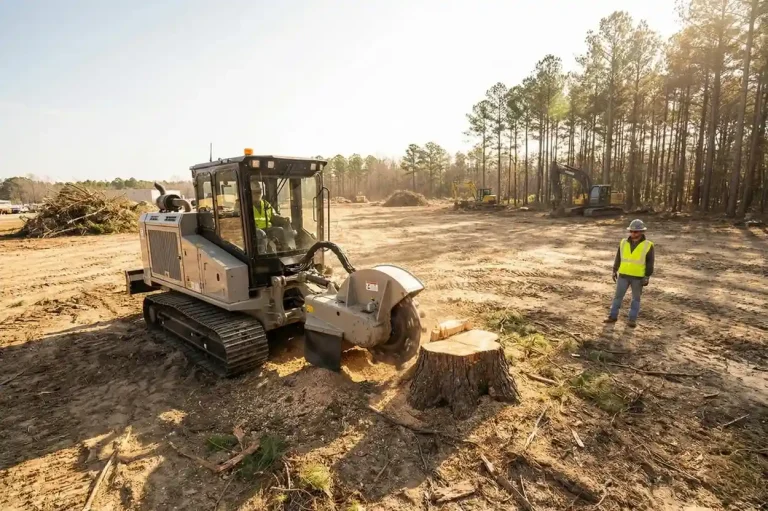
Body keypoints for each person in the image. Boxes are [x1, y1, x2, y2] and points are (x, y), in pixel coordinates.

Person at [605, 219, 655, 328]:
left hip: (638, 277)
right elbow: (618, 257)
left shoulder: (648, 245)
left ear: (642, 232)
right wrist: (614, 269)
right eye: (631, 231)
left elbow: (650, 263)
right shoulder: (623, 242)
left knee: (635, 299)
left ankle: (632, 320)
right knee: (617, 297)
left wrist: (647, 276)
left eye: (636, 232)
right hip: (623, 275)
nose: (633, 233)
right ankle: (612, 316)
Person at [251, 181, 290, 253]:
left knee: (280, 230)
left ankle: (285, 251)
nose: (258, 194)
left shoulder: (265, 204)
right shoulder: (244, 204)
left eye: (259, 192)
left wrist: (282, 219)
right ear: (250, 193)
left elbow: (273, 215)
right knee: (261, 234)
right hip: (253, 231)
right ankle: (262, 255)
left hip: (268, 229)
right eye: (255, 192)